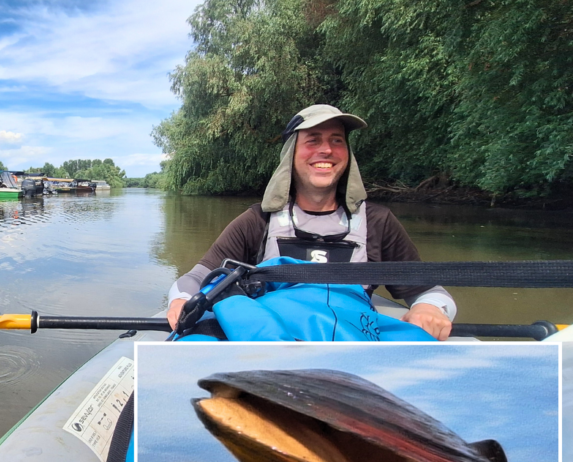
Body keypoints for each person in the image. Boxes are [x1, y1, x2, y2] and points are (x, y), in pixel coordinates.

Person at [166, 104, 456, 340]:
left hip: (349, 343)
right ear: (291, 154)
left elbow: (429, 291)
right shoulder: (258, 221)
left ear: (347, 155)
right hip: (273, 345)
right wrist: (180, 301)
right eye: (313, 140)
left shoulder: (378, 222)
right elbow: (197, 278)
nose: (326, 150)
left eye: (336, 141)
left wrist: (429, 307)